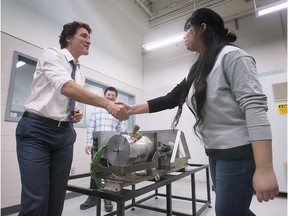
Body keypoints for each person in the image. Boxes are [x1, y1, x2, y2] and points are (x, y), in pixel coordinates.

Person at [124, 8, 279, 216]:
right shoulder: (198, 68)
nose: (184, 36)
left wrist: (265, 168)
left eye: (187, 29)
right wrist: (131, 108)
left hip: (238, 153)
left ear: (202, 28)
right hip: (216, 152)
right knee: (233, 211)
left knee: (227, 211)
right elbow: (172, 97)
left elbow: (255, 108)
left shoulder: (233, 57)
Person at [16, 21, 128, 216]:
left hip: (64, 134)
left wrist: (74, 114)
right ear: (68, 37)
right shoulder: (52, 54)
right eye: (84, 36)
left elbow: (69, 97)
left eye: (89, 37)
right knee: (36, 200)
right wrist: (107, 104)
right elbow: (66, 87)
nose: (88, 41)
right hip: (36, 131)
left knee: (57, 197)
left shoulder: (80, 74)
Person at [80, 86, 126, 212]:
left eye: (113, 95)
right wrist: (88, 143)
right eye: (108, 94)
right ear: (104, 95)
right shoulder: (96, 110)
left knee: (110, 173)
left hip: (112, 147)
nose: (110, 97)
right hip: (97, 145)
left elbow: (122, 129)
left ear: (116, 97)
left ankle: (108, 198)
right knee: (95, 172)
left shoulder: (118, 111)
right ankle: (93, 197)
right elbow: (90, 128)